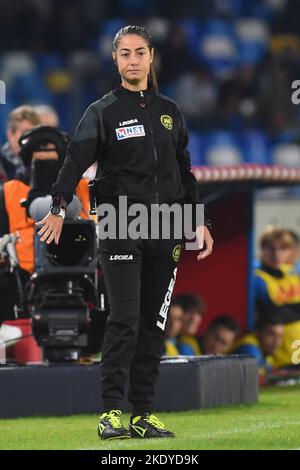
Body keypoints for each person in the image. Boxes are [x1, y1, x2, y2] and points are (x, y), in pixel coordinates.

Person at [36, 25, 214, 440]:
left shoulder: (171, 110)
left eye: (139, 53)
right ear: (115, 60)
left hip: (167, 225)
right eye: (124, 54)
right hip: (120, 222)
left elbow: (184, 172)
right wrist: (59, 207)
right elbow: (73, 161)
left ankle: (144, 414)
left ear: (151, 57)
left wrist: (200, 222)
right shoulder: (102, 111)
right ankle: (113, 412)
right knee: (125, 319)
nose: (132, 60)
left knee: (154, 323)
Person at [0, 126, 90, 327]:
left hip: (79, 267)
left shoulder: (83, 187)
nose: (45, 159)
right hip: (23, 275)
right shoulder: (9, 191)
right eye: (39, 154)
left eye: (51, 152)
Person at [254, 227, 300, 368]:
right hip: (278, 354)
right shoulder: (258, 278)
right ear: (263, 250)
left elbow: (280, 312)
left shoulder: (291, 272)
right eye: (271, 249)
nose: (277, 254)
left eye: (282, 249)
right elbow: (272, 315)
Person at [0, 105, 41, 180]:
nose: (31, 137)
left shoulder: (43, 159)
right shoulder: (1, 163)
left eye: (35, 132)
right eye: (26, 132)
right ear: (10, 134)